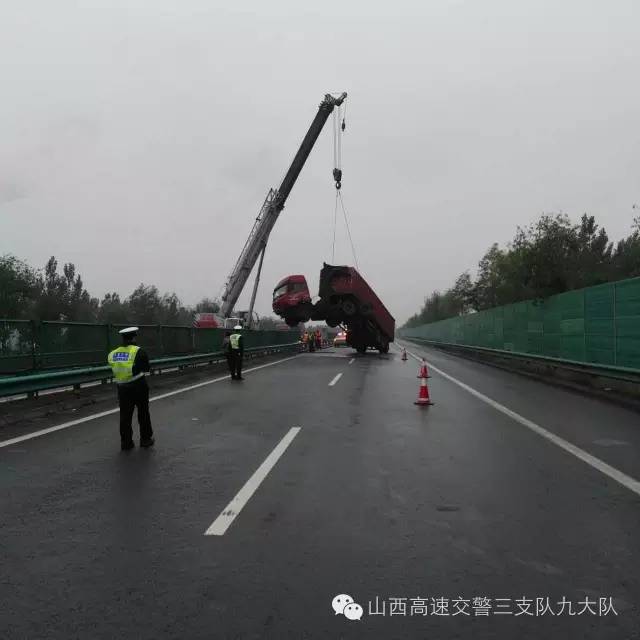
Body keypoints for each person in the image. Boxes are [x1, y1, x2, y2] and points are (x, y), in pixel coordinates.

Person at [107, 327, 154, 451]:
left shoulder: (113, 353)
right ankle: (145, 439)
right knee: (143, 412)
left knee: (125, 415)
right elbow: (146, 368)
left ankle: (126, 442)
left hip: (122, 388)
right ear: (134, 337)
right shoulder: (139, 351)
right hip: (138, 385)